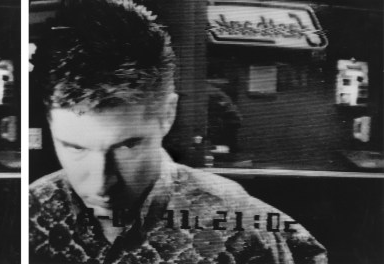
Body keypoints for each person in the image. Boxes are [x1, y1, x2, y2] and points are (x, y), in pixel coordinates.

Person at [28, 0, 327, 263]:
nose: (101, 183)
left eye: (127, 146)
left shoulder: (245, 228)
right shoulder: (32, 211)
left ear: (167, 115)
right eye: (75, 147)